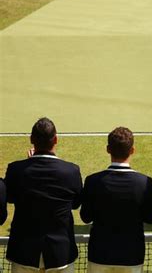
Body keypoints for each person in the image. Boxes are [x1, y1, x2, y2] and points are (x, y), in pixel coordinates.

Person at [5, 117, 82, 273]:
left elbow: (11, 197)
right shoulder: (71, 171)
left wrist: (29, 164)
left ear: (31, 139)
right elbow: (75, 204)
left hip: (23, 253)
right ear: (56, 140)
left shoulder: (16, 170)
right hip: (61, 254)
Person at [80, 127, 152, 273]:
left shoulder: (93, 181)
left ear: (108, 149)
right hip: (132, 256)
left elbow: (85, 217)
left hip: (99, 255)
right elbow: (150, 217)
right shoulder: (144, 182)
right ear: (132, 150)